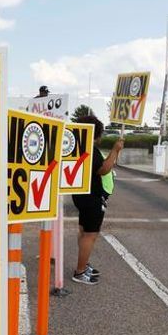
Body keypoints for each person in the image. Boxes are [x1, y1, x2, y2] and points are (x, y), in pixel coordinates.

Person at [70, 115, 123, 285]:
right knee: (90, 234)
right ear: (96, 134)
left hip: (81, 195)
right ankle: (80, 271)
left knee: (83, 230)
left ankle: (83, 264)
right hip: (91, 197)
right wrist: (115, 150)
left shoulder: (77, 147)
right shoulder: (90, 150)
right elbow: (103, 170)